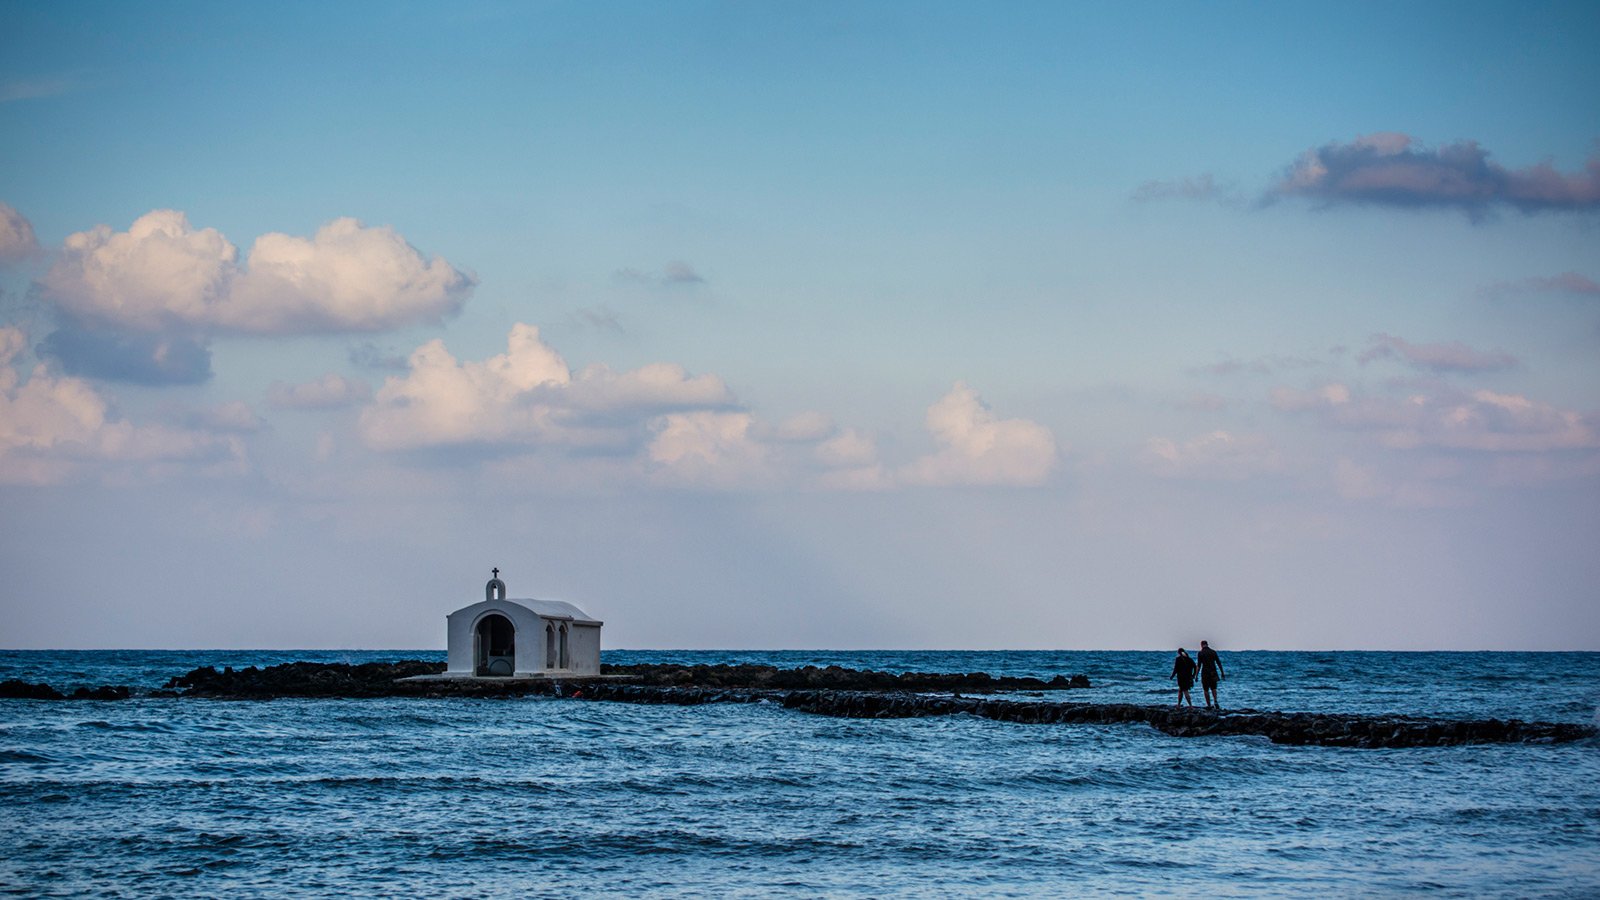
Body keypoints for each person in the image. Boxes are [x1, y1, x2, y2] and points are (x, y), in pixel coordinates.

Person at [1198, 640, 1225, 709]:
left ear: (1201, 645)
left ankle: (1209, 705)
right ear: (1207, 644)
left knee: (1206, 689)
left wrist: (1196, 675)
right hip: (1213, 672)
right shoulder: (1213, 652)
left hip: (1205, 673)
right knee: (1214, 688)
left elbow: (1199, 665)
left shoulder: (1200, 653)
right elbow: (1219, 663)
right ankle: (1215, 701)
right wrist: (1222, 673)